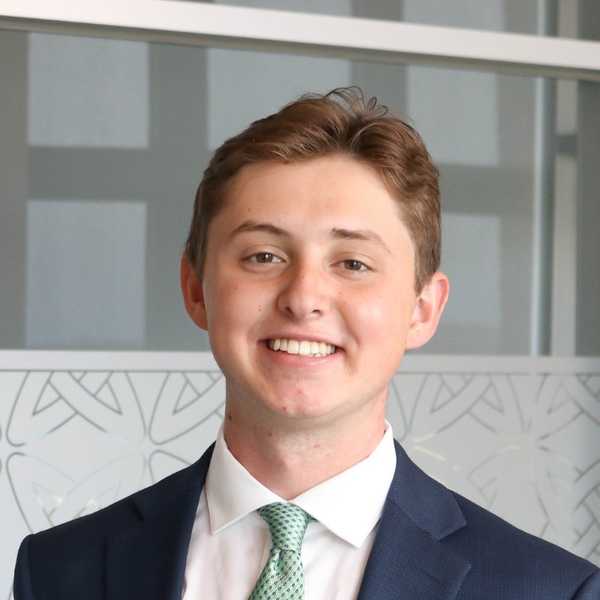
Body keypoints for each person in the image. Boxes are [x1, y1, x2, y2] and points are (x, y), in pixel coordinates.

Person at [13, 87, 600, 599]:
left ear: (422, 310)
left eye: (353, 262)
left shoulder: (548, 589)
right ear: (195, 288)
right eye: (264, 256)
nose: (303, 297)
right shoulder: (62, 571)